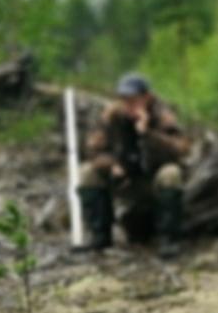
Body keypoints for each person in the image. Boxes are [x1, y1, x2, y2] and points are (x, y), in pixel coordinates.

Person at [76, 73, 191, 259]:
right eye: (124, 99)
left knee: (171, 174)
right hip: (124, 180)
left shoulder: (162, 115)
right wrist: (111, 165)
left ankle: (169, 239)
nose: (128, 104)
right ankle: (99, 236)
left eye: (133, 99)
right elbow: (92, 150)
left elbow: (180, 149)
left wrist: (148, 134)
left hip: (153, 179)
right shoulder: (112, 116)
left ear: (146, 97)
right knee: (87, 173)